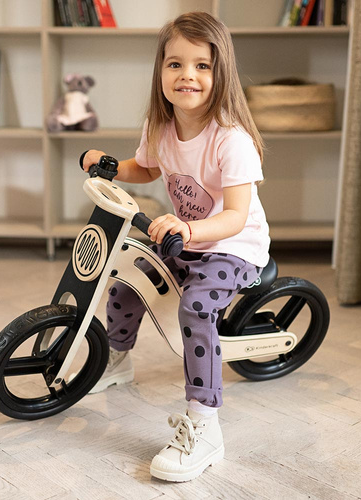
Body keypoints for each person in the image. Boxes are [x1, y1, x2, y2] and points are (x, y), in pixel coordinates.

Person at [82, 11, 270, 482]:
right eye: (175, 64)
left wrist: (188, 229)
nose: (188, 75)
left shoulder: (232, 140)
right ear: (161, 71)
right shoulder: (161, 125)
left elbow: (235, 216)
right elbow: (148, 168)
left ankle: (205, 425)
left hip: (234, 246)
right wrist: (111, 165)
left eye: (202, 66)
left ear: (220, 74)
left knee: (195, 307)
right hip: (184, 237)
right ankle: (117, 359)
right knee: (126, 278)